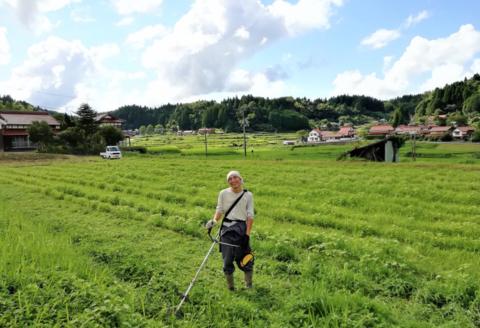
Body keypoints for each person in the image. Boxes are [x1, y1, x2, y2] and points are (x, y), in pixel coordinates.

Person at [205, 170, 254, 290]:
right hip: (227, 229)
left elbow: (250, 216)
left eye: (235, 177)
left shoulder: (248, 195)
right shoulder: (223, 193)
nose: (233, 180)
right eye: (229, 179)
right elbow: (220, 209)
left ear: (240, 179)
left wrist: (247, 235)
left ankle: (248, 285)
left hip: (241, 229)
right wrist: (214, 221)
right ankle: (231, 287)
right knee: (227, 260)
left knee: (246, 257)